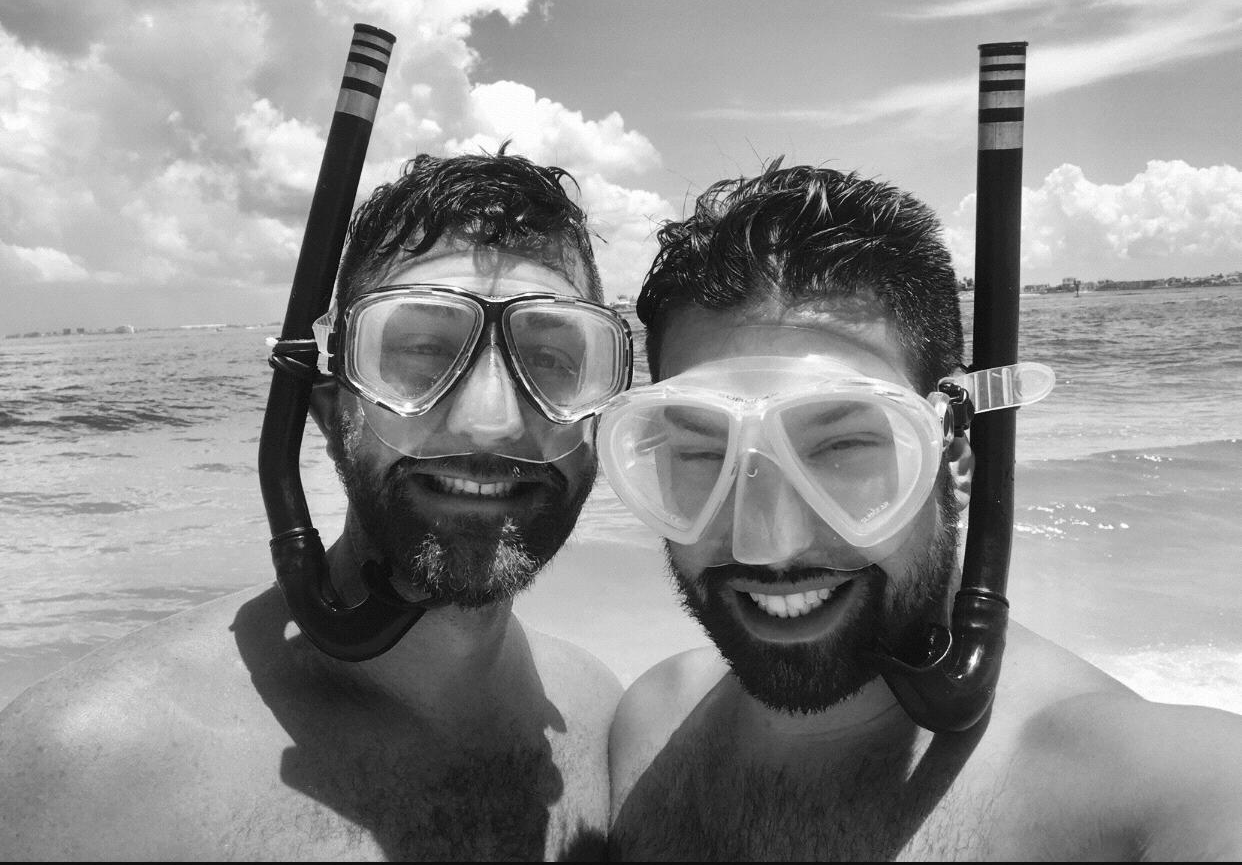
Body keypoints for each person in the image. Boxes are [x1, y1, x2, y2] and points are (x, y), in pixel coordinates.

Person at [600, 162, 1242, 861]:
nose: (765, 545)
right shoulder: (646, 729)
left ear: (956, 457)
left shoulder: (1158, 793)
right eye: (701, 453)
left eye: (842, 446)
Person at [0, 150, 631, 860]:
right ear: (332, 415)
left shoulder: (599, 714)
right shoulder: (89, 771)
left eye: (551, 360)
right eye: (423, 350)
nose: (490, 419)